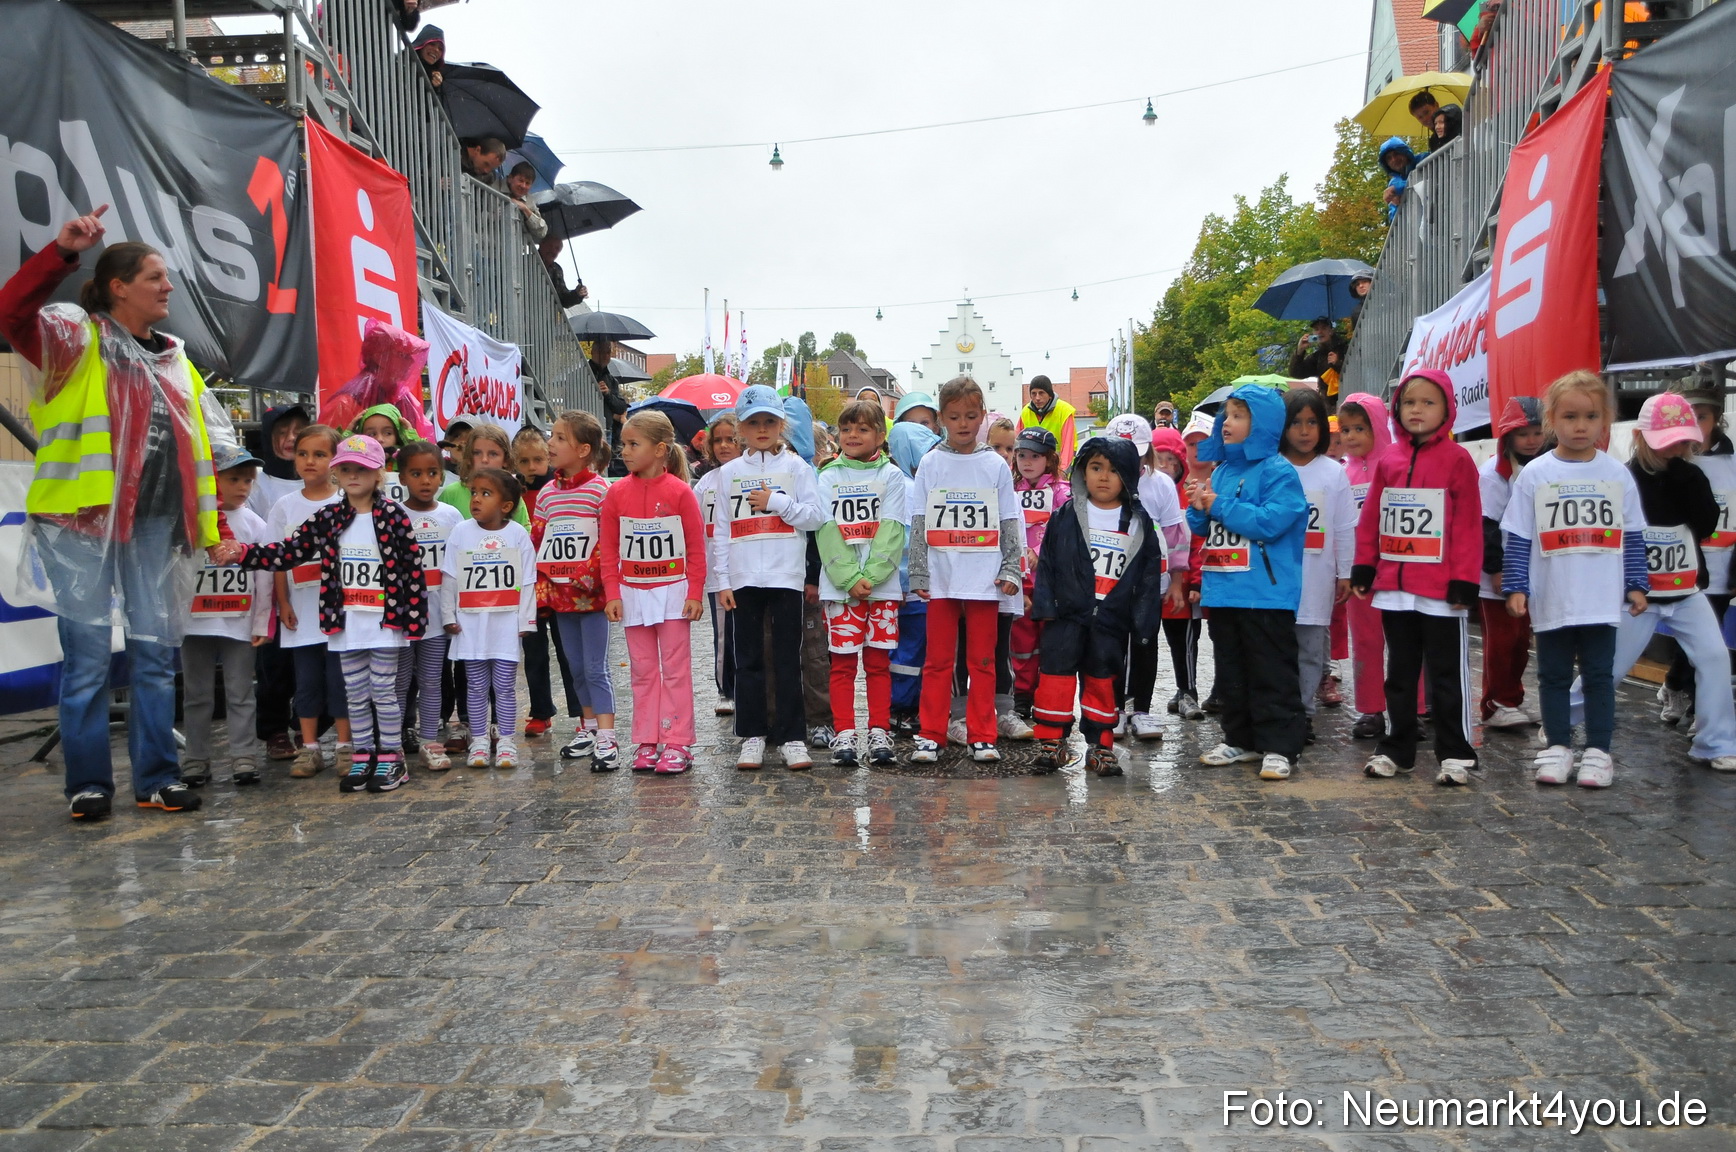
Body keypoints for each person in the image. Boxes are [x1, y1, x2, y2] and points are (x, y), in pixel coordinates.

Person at [1, 207, 243, 819]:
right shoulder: (75, 339)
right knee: (86, 660)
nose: (168, 287)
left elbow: (204, 452)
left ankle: (157, 779)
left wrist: (212, 531)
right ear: (119, 287)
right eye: (155, 277)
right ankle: (88, 784)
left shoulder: (177, 360)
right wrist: (60, 252)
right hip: (79, 522)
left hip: (156, 526)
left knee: (155, 657)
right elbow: (10, 314)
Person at [236, 434, 428, 793]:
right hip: (345, 623)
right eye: (346, 469)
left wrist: (413, 619)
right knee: (354, 692)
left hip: (385, 623)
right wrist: (243, 554)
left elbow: (411, 569)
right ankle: (363, 755)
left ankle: (392, 758)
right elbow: (290, 551)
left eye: (362, 470)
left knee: (383, 691)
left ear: (377, 476)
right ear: (337, 473)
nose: (353, 476)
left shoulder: (392, 515)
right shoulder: (328, 517)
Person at [1502, 372, 1650, 789]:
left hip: (1601, 599)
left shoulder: (1617, 474)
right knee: (1552, 675)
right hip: (1554, 598)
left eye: (1590, 416)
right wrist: (1516, 586)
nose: (1580, 426)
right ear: (1552, 419)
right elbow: (1518, 533)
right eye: (1570, 416)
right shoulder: (1536, 474)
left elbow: (1633, 533)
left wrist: (1636, 584)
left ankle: (1599, 751)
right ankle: (1559, 747)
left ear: (1605, 420)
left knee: (1600, 675)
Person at [1577, 393, 1735, 773]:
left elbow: (1708, 524)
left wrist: (1687, 481)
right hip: (1638, 594)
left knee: (1714, 658)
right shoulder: (1623, 477)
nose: (1677, 449)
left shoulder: (1692, 474)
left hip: (1685, 589)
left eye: (1683, 442)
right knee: (1609, 667)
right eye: (1669, 442)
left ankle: (1716, 741)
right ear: (1639, 437)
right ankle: (1561, 723)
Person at [1350, 370, 1482, 787]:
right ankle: (1397, 747)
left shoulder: (1458, 460)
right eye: (1409, 403)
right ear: (1397, 410)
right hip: (1395, 589)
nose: (1417, 410)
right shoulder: (1389, 461)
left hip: (1442, 591)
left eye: (1428, 402)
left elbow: (1467, 525)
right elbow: (1371, 518)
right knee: (1400, 675)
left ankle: (1457, 751)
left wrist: (1464, 579)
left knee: (1445, 674)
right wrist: (1365, 566)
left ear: (1446, 410)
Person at [1188, 384, 1308, 781]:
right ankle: (1240, 738)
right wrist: (1199, 507)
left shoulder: (1278, 470)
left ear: (1263, 425)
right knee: (1231, 671)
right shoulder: (1222, 470)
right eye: (1227, 415)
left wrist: (1218, 504)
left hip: (1266, 594)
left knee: (1271, 672)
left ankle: (1280, 747)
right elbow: (1205, 528)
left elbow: (1271, 522)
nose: (1227, 424)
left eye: (1239, 416)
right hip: (1224, 589)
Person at [1031, 436, 1169, 775]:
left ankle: (1101, 745)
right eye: (1095, 468)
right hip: (1066, 615)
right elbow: (1047, 562)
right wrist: (1046, 606)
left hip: (1111, 619)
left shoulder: (1139, 522)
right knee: (1055, 679)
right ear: (1082, 472)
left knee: (1103, 680)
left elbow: (1150, 575)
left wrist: (1144, 622)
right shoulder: (1065, 515)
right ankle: (1052, 741)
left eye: (1113, 470)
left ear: (1128, 477)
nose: (1103, 477)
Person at [908, 376, 1023, 763]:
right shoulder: (930, 462)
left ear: (983, 416)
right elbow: (919, 519)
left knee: (983, 659)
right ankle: (931, 733)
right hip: (942, 578)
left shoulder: (995, 465)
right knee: (938, 660)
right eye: (954, 416)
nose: (962, 424)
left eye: (970, 416)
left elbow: (1009, 520)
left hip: (983, 578)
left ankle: (982, 734)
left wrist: (1011, 568)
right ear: (941, 418)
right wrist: (919, 572)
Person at [713, 385, 827, 770]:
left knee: (786, 657)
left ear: (781, 425)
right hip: (744, 577)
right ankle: (752, 735)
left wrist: (778, 503)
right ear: (741, 428)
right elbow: (722, 530)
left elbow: (815, 516)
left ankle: (792, 737)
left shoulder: (797, 468)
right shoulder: (727, 473)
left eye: (769, 421)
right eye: (753, 422)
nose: (761, 428)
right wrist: (723, 581)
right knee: (747, 659)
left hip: (786, 576)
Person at [597, 411, 707, 772]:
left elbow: (695, 547)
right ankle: (646, 739)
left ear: (660, 450)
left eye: (633, 444)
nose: (624, 451)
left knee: (675, 669)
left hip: (673, 593)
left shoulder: (681, 493)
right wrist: (612, 592)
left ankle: (677, 740)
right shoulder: (616, 494)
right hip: (633, 594)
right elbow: (609, 549)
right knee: (643, 671)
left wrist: (694, 591)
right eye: (623, 444)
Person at [815, 399, 909, 765]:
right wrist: (849, 578)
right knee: (841, 665)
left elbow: (892, 528)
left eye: (863, 429)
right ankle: (844, 733)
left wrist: (870, 576)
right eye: (847, 428)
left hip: (881, 587)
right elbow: (825, 530)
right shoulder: (828, 476)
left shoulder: (892, 476)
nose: (853, 435)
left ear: (880, 436)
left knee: (878, 664)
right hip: (840, 587)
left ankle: (879, 730)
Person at [181, 445, 273, 788]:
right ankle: (196, 758)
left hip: (239, 624)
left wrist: (263, 622)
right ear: (211, 480)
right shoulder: (191, 520)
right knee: (197, 694)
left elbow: (264, 576)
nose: (243, 487)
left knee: (240, 692)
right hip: (194, 624)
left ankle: (243, 757)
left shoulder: (254, 524)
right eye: (234, 478)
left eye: (248, 480)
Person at [536, 411, 619, 767]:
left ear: (584, 449)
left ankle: (608, 736)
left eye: (558, 438)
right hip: (560, 599)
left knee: (595, 666)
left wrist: (586, 575)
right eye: (551, 436)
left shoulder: (601, 490)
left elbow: (608, 540)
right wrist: (544, 585)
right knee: (574, 667)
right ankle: (586, 727)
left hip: (592, 597)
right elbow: (539, 539)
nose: (550, 444)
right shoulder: (547, 493)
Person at [440, 467, 537, 769]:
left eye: (486, 493)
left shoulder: (517, 534)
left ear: (506, 506)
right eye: (474, 493)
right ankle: (479, 739)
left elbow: (528, 580)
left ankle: (506, 739)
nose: (476, 500)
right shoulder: (461, 532)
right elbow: (450, 576)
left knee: (506, 685)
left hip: (504, 624)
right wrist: (447, 615)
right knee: (475, 685)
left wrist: (526, 620)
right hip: (470, 624)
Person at [269, 424, 351, 778]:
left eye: (320, 454)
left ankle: (347, 746)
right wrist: (282, 602)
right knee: (306, 681)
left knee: (340, 678)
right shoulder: (284, 507)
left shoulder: (346, 502)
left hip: (340, 611)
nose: (310, 461)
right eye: (303, 454)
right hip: (301, 612)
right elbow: (277, 558)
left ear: (336, 460)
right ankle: (310, 747)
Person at [1105, 413, 1189, 739]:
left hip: (1151, 580)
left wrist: (1178, 581)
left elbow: (1176, 534)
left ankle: (1141, 709)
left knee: (1145, 642)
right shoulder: (1100, 482)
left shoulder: (1161, 484)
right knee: (1111, 644)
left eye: (1137, 452)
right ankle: (1113, 708)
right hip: (1110, 580)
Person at [1281, 389, 1355, 741]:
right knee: (1279, 651)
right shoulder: (1273, 468)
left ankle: (1304, 713)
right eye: (1296, 422)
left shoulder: (1333, 473)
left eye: (1312, 422)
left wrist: (1346, 572)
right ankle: (1280, 712)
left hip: (1317, 577)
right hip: (1277, 580)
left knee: (1310, 651)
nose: (1305, 431)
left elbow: (1343, 527)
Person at [1663, 390, 1736, 724]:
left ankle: (1691, 702)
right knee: (1687, 642)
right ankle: (1680, 689)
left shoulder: (1731, 463)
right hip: (1680, 566)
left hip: (1721, 568)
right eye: (1689, 416)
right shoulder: (1673, 462)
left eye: (1702, 417)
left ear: (1717, 419)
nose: (1695, 425)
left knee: (1709, 644)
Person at [1478, 396, 1546, 730]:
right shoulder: (1493, 475)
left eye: (1537, 432)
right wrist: (1496, 568)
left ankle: (1512, 697)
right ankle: (1493, 703)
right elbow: (1486, 524)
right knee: (1501, 640)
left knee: (1521, 640)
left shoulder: (1542, 468)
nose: (1531, 440)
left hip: (1532, 569)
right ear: (1508, 437)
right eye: (1523, 434)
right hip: (1501, 572)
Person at [395, 440, 464, 771]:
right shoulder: (394, 516)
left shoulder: (451, 516)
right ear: (402, 477)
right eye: (416, 473)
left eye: (432, 473)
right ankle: (392, 743)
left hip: (437, 617)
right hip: (403, 619)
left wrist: (453, 611)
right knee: (399, 680)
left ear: (442, 477)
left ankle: (429, 740)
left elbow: (457, 569)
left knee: (432, 678)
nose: (425, 480)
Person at [1337, 392, 1394, 739]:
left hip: (1398, 569)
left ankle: (1413, 708)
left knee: (1404, 642)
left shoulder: (1396, 466)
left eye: (1360, 427)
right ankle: (1371, 708)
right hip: (1361, 574)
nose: (1352, 436)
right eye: (1345, 430)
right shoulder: (1342, 474)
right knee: (1366, 642)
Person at [1009, 426, 1068, 717]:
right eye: (1021, 455)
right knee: (1020, 644)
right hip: (1020, 583)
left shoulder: (1062, 492)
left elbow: (1067, 535)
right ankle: (1021, 696)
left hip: (1051, 583)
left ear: (1050, 458)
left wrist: (1041, 554)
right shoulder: (1009, 490)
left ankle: (1048, 696)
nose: (1027, 462)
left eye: (1035, 456)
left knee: (1050, 642)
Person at [887, 419, 940, 734]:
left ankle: (903, 706)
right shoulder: (908, 488)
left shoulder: (906, 484)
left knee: (907, 651)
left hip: (905, 587)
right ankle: (903, 708)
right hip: (913, 588)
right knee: (910, 651)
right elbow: (908, 540)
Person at [1149, 426, 1203, 718]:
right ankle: (1134, 697)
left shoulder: (1188, 496)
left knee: (1184, 641)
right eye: (1160, 459)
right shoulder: (1141, 493)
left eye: (1173, 461)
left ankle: (1188, 690)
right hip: (1147, 583)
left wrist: (1195, 582)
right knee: (1143, 643)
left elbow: (1196, 543)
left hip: (1180, 586)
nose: (1167, 467)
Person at [511, 426, 560, 738]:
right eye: (525, 461)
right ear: (515, 462)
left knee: (567, 649)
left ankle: (583, 712)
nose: (532, 467)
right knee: (534, 650)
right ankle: (541, 710)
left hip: (558, 580)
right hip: (525, 583)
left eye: (539, 459)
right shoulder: (510, 491)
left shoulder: (558, 487)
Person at [694, 415, 742, 716]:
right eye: (718, 440)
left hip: (749, 570)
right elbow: (696, 530)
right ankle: (726, 689)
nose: (724, 445)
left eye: (731, 439)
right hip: (717, 573)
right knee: (724, 635)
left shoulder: (749, 475)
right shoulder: (704, 485)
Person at [587, 339, 631, 470]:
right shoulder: (583, 374)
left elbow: (621, 407)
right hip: (586, 427)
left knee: (603, 466)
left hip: (606, 429)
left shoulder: (611, 379)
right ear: (593, 352)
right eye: (602, 352)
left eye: (608, 352)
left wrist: (608, 394)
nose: (606, 356)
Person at [1017, 375, 1078, 469]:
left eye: (1041, 393)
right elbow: (1017, 443)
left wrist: (1061, 472)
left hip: (1057, 468)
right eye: (1033, 393)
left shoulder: (1064, 411)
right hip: (1034, 469)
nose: (1037, 398)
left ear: (1050, 395)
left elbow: (1068, 447)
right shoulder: (1025, 412)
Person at [505, 162, 549, 244]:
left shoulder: (529, 200)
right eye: (521, 180)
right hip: (488, 249)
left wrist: (525, 209)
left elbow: (542, 231)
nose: (523, 186)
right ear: (510, 178)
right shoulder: (494, 189)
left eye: (527, 183)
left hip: (515, 252)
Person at [1379, 138, 1418, 219]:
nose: (1394, 159)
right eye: (1389, 158)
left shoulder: (1422, 161)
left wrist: (1398, 189)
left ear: (1405, 153)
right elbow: (1394, 219)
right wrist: (1396, 204)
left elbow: (1425, 179)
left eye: (1396, 154)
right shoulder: (1394, 182)